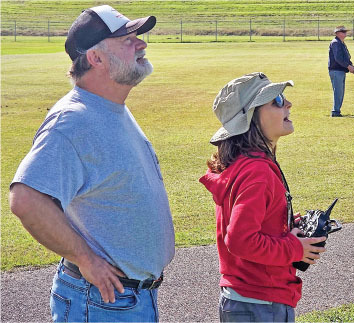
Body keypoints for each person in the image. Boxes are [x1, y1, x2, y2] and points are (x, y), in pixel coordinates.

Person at [9, 5, 175, 323]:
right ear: (95, 58)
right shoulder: (73, 120)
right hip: (102, 304)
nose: (141, 43)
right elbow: (26, 199)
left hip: (127, 300)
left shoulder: (112, 108)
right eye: (127, 39)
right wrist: (85, 258)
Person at [199, 72, 327, 322]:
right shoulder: (257, 171)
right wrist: (294, 248)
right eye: (276, 100)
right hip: (261, 304)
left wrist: (285, 226)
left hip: (245, 300)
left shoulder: (242, 164)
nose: (287, 104)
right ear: (251, 118)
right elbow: (240, 240)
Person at [328, 25, 354, 117]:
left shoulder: (341, 43)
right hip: (336, 70)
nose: (345, 33)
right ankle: (335, 112)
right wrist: (348, 66)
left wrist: (351, 66)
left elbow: (345, 57)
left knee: (340, 92)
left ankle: (337, 110)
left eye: (345, 32)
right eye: (343, 32)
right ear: (338, 33)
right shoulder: (336, 43)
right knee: (338, 92)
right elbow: (338, 58)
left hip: (340, 70)